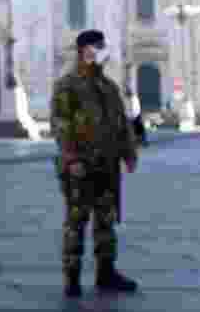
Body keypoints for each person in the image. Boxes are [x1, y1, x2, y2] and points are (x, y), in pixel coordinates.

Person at [50, 30, 138, 297]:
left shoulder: (109, 87)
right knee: (76, 222)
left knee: (106, 222)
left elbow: (121, 123)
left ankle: (106, 272)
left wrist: (129, 152)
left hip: (107, 166)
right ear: (83, 50)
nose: (101, 51)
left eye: (102, 46)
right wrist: (71, 157)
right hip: (80, 166)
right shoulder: (68, 84)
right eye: (96, 47)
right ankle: (72, 278)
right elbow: (60, 124)